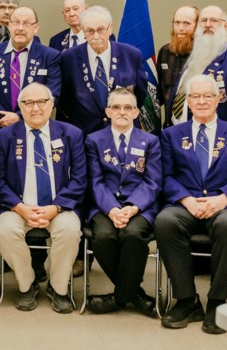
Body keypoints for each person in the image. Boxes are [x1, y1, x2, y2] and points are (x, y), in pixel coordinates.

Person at [155, 74, 227, 335]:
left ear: (218, 99)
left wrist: (223, 198)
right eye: (195, 96)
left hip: (226, 203)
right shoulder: (171, 135)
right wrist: (186, 199)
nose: (201, 101)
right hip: (186, 203)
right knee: (165, 222)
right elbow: (165, 177)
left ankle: (217, 302)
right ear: (187, 101)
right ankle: (187, 300)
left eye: (207, 96)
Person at [0, 83, 86, 314]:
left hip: (59, 207)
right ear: (20, 107)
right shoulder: (4, 137)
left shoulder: (71, 134)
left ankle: (58, 288)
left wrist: (56, 207)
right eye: (28, 103)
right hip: (17, 207)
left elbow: (79, 180)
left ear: (52, 105)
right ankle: (27, 284)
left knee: (70, 230)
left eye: (42, 102)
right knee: (4, 230)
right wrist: (20, 208)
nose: (35, 108)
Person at [84, 88, 160, 317]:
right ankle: (134, 294)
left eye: (128, 107)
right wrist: (112, 209)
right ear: (107, 111)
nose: (122, 112)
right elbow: (95, 182)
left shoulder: (151, 141)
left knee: (133, 235)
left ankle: (118, 298)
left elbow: (153, 181)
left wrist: (133, 207)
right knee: (104, 237)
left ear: (136, 112)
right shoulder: (93, 140)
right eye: (116, 107)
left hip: (140, 206)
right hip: (103, 206)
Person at [58, 6, 148, 135]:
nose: (96, 36)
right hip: (85, 135)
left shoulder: (131, 55)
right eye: (90, 31)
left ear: (110, 28)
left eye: (100, 30)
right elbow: (64, 101)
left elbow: (140, 94)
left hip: (123, 132)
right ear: (83, 31)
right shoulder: (68, 58)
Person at [166, 5, 227, 130]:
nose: (208, 25)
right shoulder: (195, 57)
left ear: (225, 25)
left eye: (214, 20)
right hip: (180, 136)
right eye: (203, 20)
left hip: (216, 139)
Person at [0, 6, 62, 128]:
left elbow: (52, 95)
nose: (20, 28)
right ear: (9, 25)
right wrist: (2, 118)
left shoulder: (49, 56)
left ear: (36, 27)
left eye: (26, 23)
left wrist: (20, 116)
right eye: (16, 22)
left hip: (34, 126)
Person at [156, 6, 198, 122]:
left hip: (196, 123)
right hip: (170, 125)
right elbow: (159, 92)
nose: (180, 28)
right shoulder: (165, 52)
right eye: (177, 23)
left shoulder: (203, 55)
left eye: (186, 24)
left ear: (197, 26)